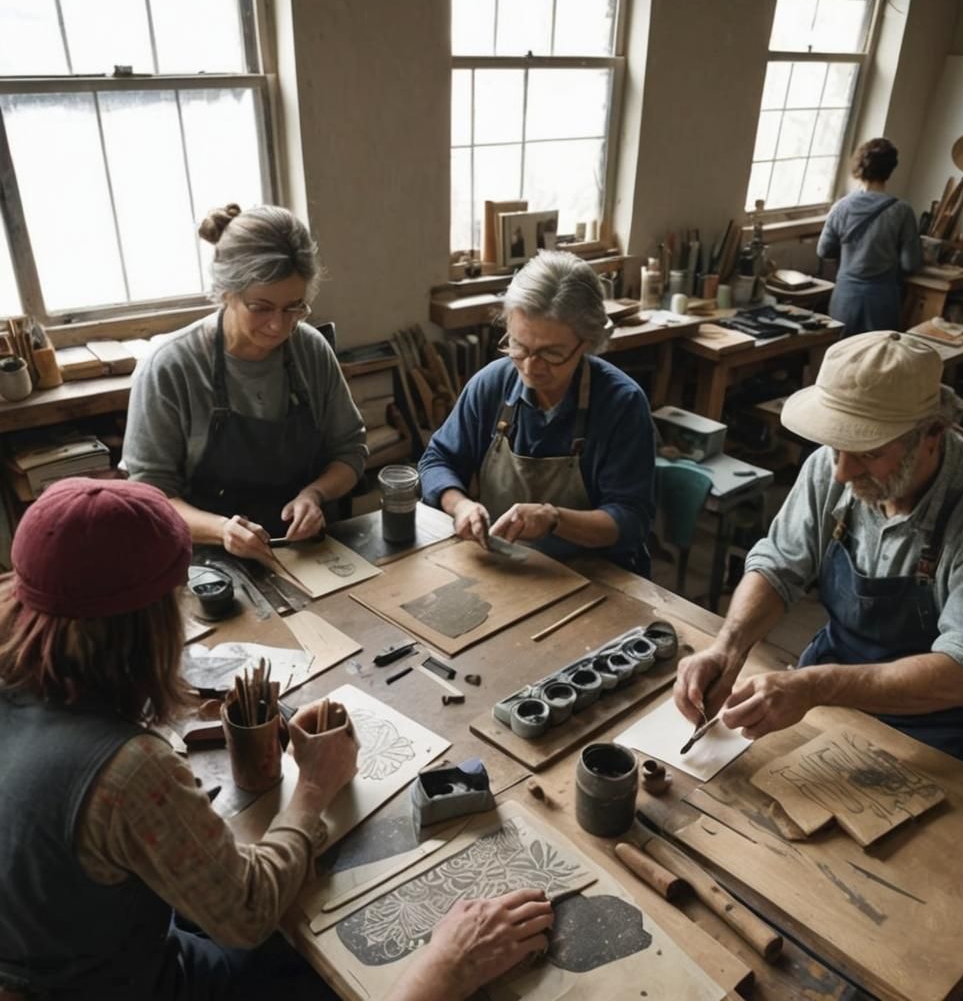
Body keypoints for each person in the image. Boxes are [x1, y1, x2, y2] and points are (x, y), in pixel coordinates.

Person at [0, 479, 553, 1001]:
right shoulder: (128, 771)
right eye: (176, 599)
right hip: (119, 986)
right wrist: (312, 787)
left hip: (49, 948)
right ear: (144, 626)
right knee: (306, 961)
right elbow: (247, 916)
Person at [674, 332, 963, 780]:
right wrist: (728, 648)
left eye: (869, 452)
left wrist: (816, 684)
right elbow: (780, 565)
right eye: (836, 447)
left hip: (946, 722)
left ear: (932, 434)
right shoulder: (835, 466)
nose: (841, 471)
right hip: (836, 679)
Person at [122, 203, 367, 567]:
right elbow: (150, 495)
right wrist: (221, 530)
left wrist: (315, 494)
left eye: (294, 307)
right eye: (261, 307)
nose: (279, 326)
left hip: (304, 555)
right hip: (205, 562)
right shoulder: (170, 367)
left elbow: (350, 451)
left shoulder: (310, 350)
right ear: (225, 292)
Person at [418, 251, 656, 574]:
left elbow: (630, 519)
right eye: (519, 346)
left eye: (551, 353)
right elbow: (437, 461)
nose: (530, 367)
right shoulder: (492, 385)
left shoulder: (621, 405)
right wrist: (460, 506)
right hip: (509, 566)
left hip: (597, 575)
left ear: (587, 343)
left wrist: (554, 519)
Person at [817, 138, 923, 336]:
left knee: (841, 356)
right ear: (890, 170)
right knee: (876, 359)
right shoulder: (902, 211)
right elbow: (911, 263)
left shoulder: (841, 207)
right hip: (882, 300)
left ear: (859, 168)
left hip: (845, 296)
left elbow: (824, 250)